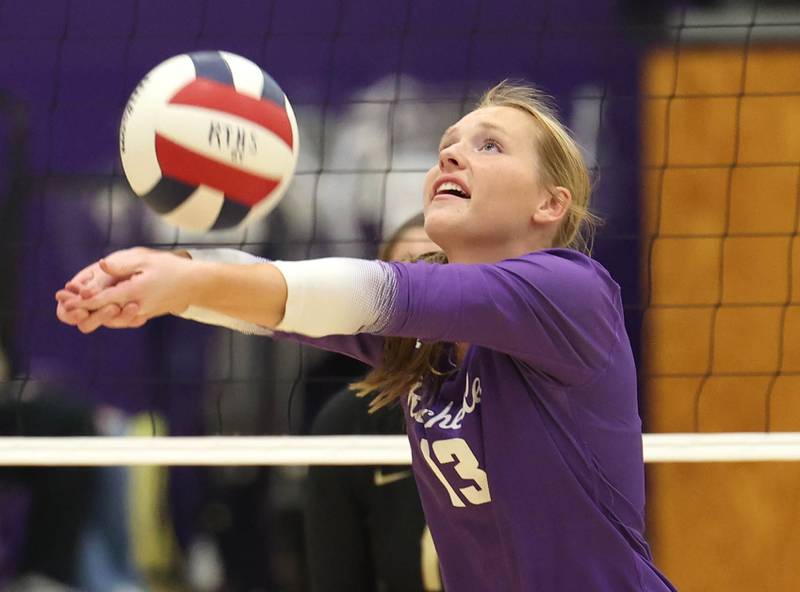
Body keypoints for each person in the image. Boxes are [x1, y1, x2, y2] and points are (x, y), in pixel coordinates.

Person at [55, 81, 676, 591]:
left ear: (550, 204)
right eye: (447, 146)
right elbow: (296, 312)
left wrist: (184, 277)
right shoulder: (429, 344)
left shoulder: (570, 292)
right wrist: (169, 282)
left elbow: (368, 291)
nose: (450, 156)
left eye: (489, 147)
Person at [305, 213, 441, 592]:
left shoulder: (514, 401)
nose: (420, 294)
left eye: (436, 269)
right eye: (404, 277)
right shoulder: (346, 423)